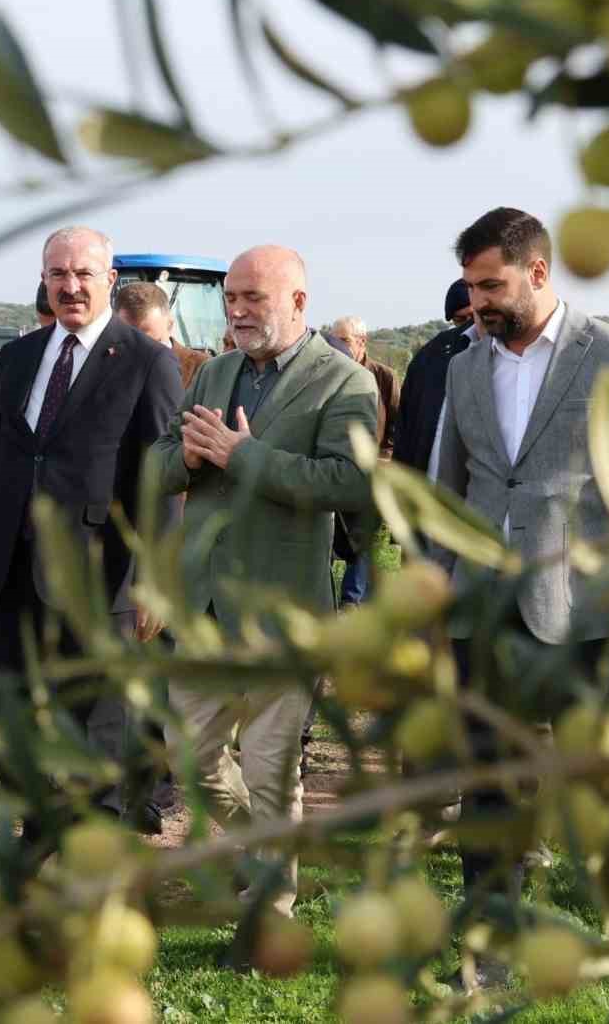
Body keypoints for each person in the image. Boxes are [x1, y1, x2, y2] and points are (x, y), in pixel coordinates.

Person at [435, 207, 609, 961]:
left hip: (586, 615)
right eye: (472, 287)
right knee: (488, 779)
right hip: (483, 611)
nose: (477, 301)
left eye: (491, 284)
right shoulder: (464, 365)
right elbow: (451, 490)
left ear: (538, 272)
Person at [0, 226, 181, 850]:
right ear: (44, 280)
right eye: (58, 275)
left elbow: (162, 479)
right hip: (9, 575)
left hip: (99, 579)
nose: (70, 286)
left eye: (84, 274)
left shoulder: (148, 362)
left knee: (93, 733)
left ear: (109, 280)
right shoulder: (20, 358)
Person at [149, 246, 378, 921]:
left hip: (285, 606)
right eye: (232, 298)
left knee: (271, 763)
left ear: (299, 302)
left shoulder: (344, 383)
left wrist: (244, 456)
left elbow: (350, 482)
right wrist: (187, 457)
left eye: (255, 297)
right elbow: (160, 461)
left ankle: (272, 901)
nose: (240, 311)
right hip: (204, 603)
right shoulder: (213, 374)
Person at [327, 315, 400, 606]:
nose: (337, 347)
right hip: (332, 470)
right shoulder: (327, 375)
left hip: (370, 473)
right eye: (333, 340)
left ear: (361, 342)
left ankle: (352, 602)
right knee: (330, 538)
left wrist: (384, 460)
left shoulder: (383, 377)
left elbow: (397, 426)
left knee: (364, 538)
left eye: (344, 341)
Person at [391, 280, 481, 480]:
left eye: (472, 315)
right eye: (460, 319)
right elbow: (406, 426)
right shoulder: (431, 356)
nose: (469, 324)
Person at [115, 280, 209, 389]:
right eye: (130, 341)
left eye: (152, 344)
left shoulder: (203, 368)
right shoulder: (103, 364)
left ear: (170, 325)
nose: (140, 351)